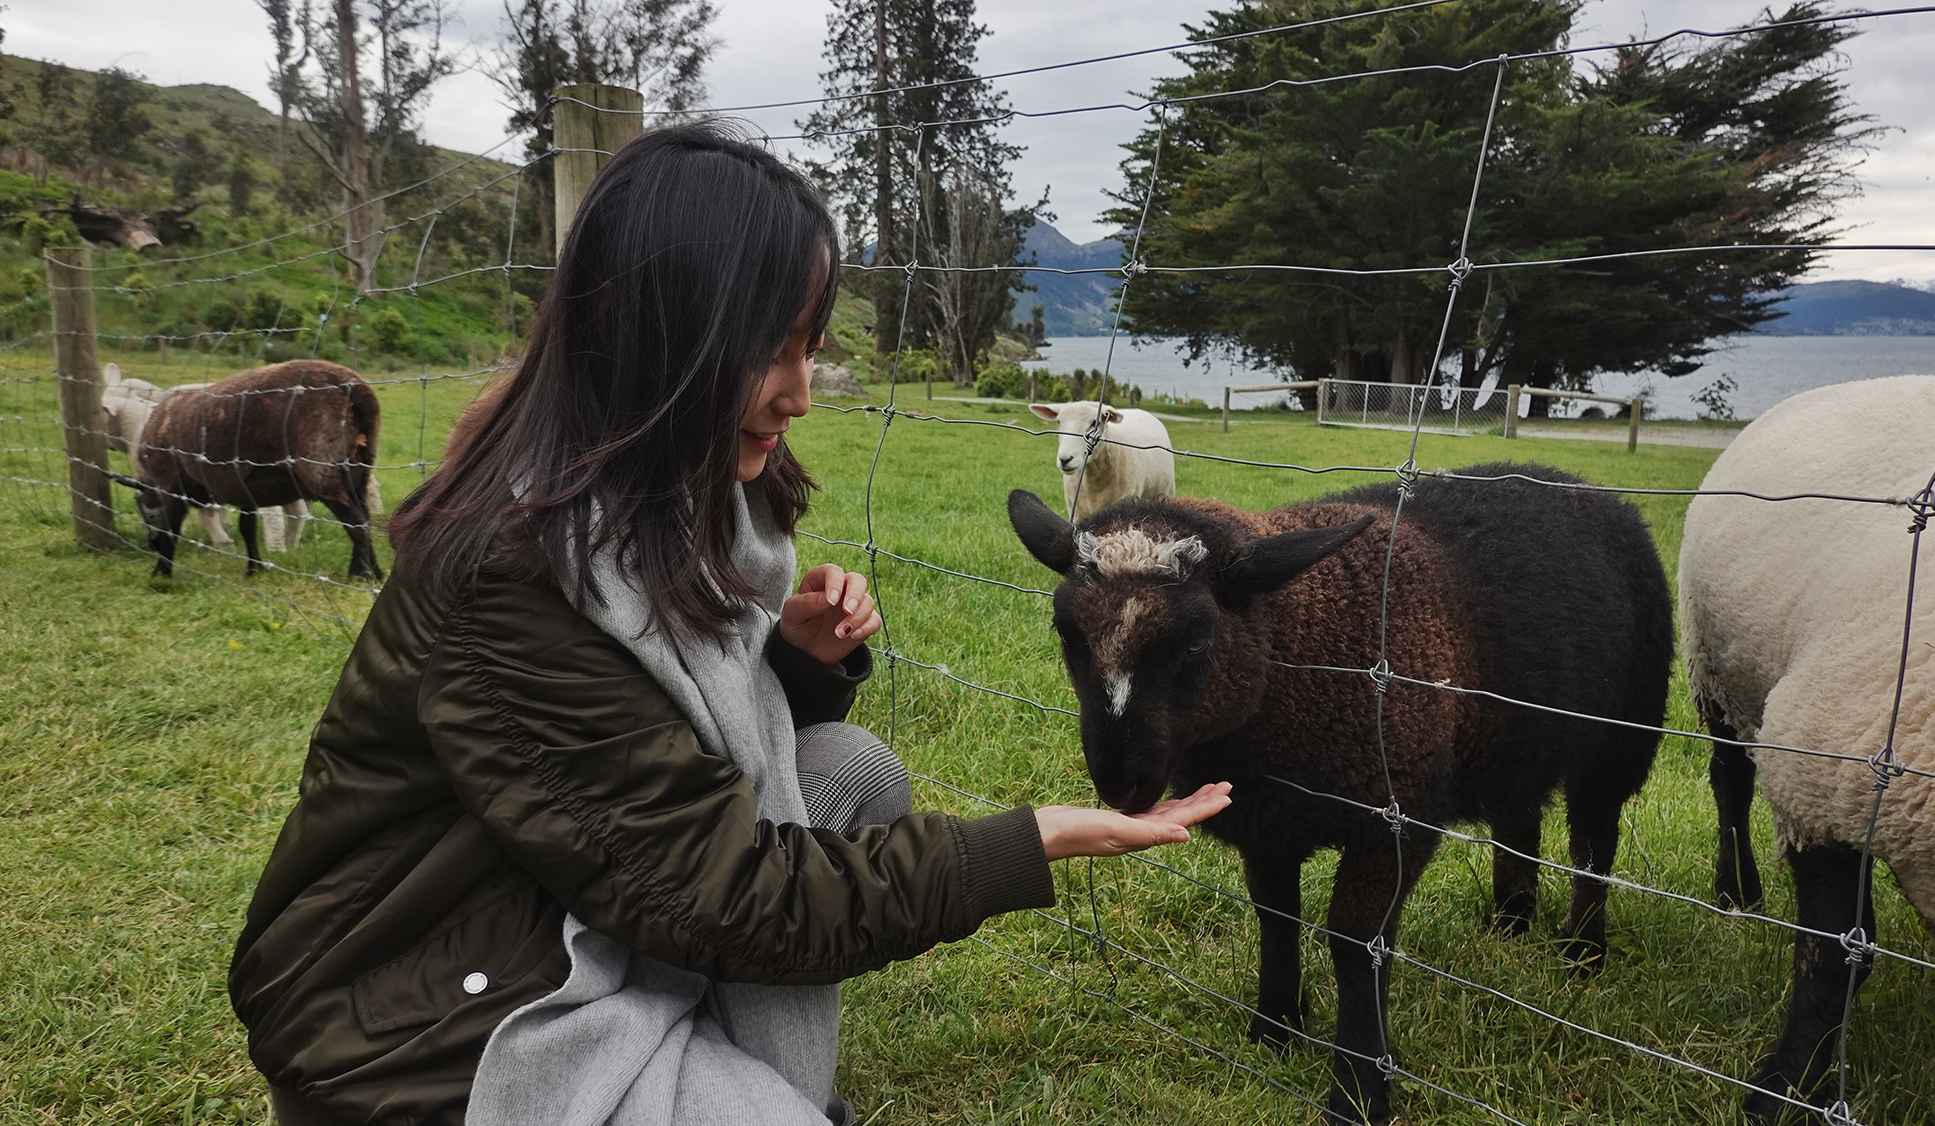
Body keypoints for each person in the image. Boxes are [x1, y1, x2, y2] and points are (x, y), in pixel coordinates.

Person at [227, 120, 1230, 1126]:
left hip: (566, 889)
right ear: (638, 324)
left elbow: (643, 755)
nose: (798, 393)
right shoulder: (518, 570)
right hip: (416, 1025)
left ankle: (732, 1069)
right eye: (768, 348)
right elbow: (733, 896)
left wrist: (788, 662)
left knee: (850, 769)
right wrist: (1025, 842)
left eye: (809, 347)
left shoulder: (668, 491)